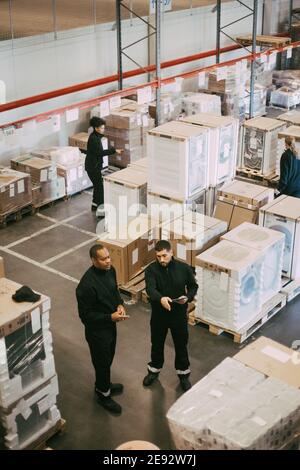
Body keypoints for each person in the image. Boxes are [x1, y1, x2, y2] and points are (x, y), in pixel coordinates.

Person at [76, 244, 129, 414]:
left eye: (108, 257)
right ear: (93, 260)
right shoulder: (86, 286)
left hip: (110, 325)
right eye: (103, 259)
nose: (108, 261)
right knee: (101, 362)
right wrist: (109, 317)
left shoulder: (110, 270)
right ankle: (103, 394)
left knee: (108, 357)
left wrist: (119, 304)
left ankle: (103, 384)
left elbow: (114, 291)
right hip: (97, 332)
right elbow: (86, 317)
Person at [143, 240, 198, 392]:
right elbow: (150, 289)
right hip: (159, 315)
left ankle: (183, 375)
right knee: (157, 343)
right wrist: (160, 298)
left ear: (171, 252)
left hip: (178, 315)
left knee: (181, 344)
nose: (161, 260)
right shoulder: (151, 270)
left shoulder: (183, 268)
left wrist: (188, 297)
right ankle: (154, 370)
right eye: (158, 256)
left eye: (164, 256)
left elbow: (193, 286)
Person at [85, 117, 123, 215]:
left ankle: (94, 205)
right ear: (96, 128)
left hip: (94, 166)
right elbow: (100, 153)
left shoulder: (96, 136)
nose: (103, 129)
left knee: (97, 186)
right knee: (100, 188)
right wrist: (114, 150)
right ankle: (101, 210)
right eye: (102, 128)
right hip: (93, 167)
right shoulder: (94, 139)